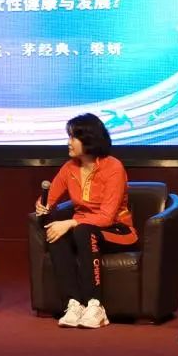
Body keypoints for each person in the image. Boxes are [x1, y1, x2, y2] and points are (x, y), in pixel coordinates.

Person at [35, 113, 138, 329]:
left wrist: (71, 223)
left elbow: (107, 217)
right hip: (83, 230)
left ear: (89, 140)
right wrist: (42, 205)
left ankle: (96, 305)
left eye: (73, 137)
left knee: (82, 230)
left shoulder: (113, 167)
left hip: (117, 230)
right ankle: (74, 304)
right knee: (55, 232)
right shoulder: (69, 168)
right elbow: (50, 199)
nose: (68, 142)